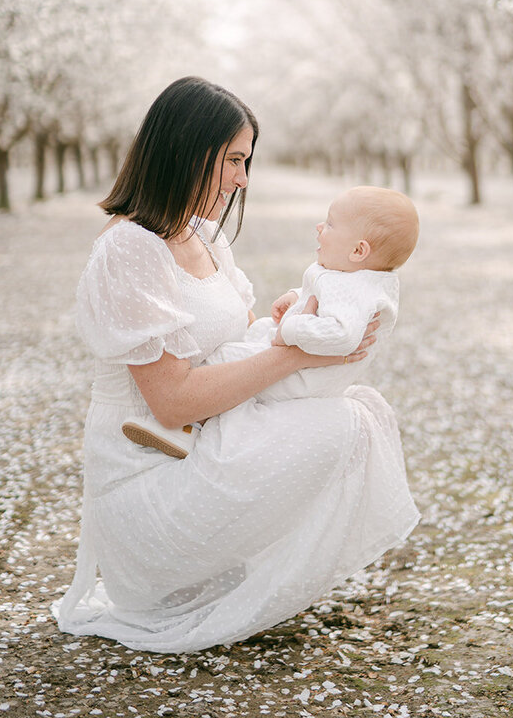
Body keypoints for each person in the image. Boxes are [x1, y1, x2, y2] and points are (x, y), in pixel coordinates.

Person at [53, 77, 419, 654]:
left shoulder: (202, 236)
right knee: (346, 423)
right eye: (231, 160)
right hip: (148, 476)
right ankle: (174, 575)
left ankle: (229, 568)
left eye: (245, 162)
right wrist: (301, 350)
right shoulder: (130, 248)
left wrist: (291, 319)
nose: (242, 180)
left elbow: (238, 341)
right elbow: (171, 402)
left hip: (205, 441)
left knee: (358, 409)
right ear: (183, 148)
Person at [122, 186, 419, 457]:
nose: (319, 227)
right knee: (256, 335)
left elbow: (341, 335)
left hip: (306, 376)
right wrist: (296, 297)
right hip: (304, 363)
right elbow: (325, 293)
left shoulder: (358, 290)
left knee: (229, 359)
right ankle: (200, 424)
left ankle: (189, 428)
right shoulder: (357, 276)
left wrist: (289, 331)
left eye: (330, 224)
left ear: (358, 250)